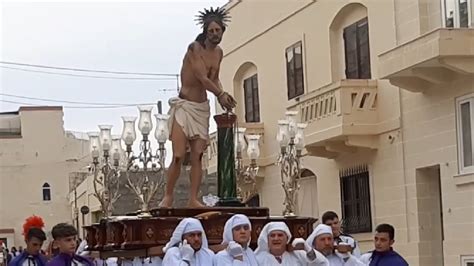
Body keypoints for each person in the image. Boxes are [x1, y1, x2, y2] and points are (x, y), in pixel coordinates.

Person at [159, 6, 236, 208]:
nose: (214, 34)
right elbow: (202, 77)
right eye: (211, 31)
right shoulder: (194, 48)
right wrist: (220, 94)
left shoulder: (219, 52)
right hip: (184, 106)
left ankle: (193, 199)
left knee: (197, 156)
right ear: (205, 31)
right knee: (177, 155)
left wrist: (222, 95)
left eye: (217, 30)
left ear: (222, 31)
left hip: (201, 107)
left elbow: (214, 78)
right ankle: (168, 196)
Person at [254, 222, 327, 265]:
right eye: (272, 236)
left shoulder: (297, 255)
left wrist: (307, 248)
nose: (276, 239)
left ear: (287, 238)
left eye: (280, 235)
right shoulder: (258, 259)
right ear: (267, 239)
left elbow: (322, 264)